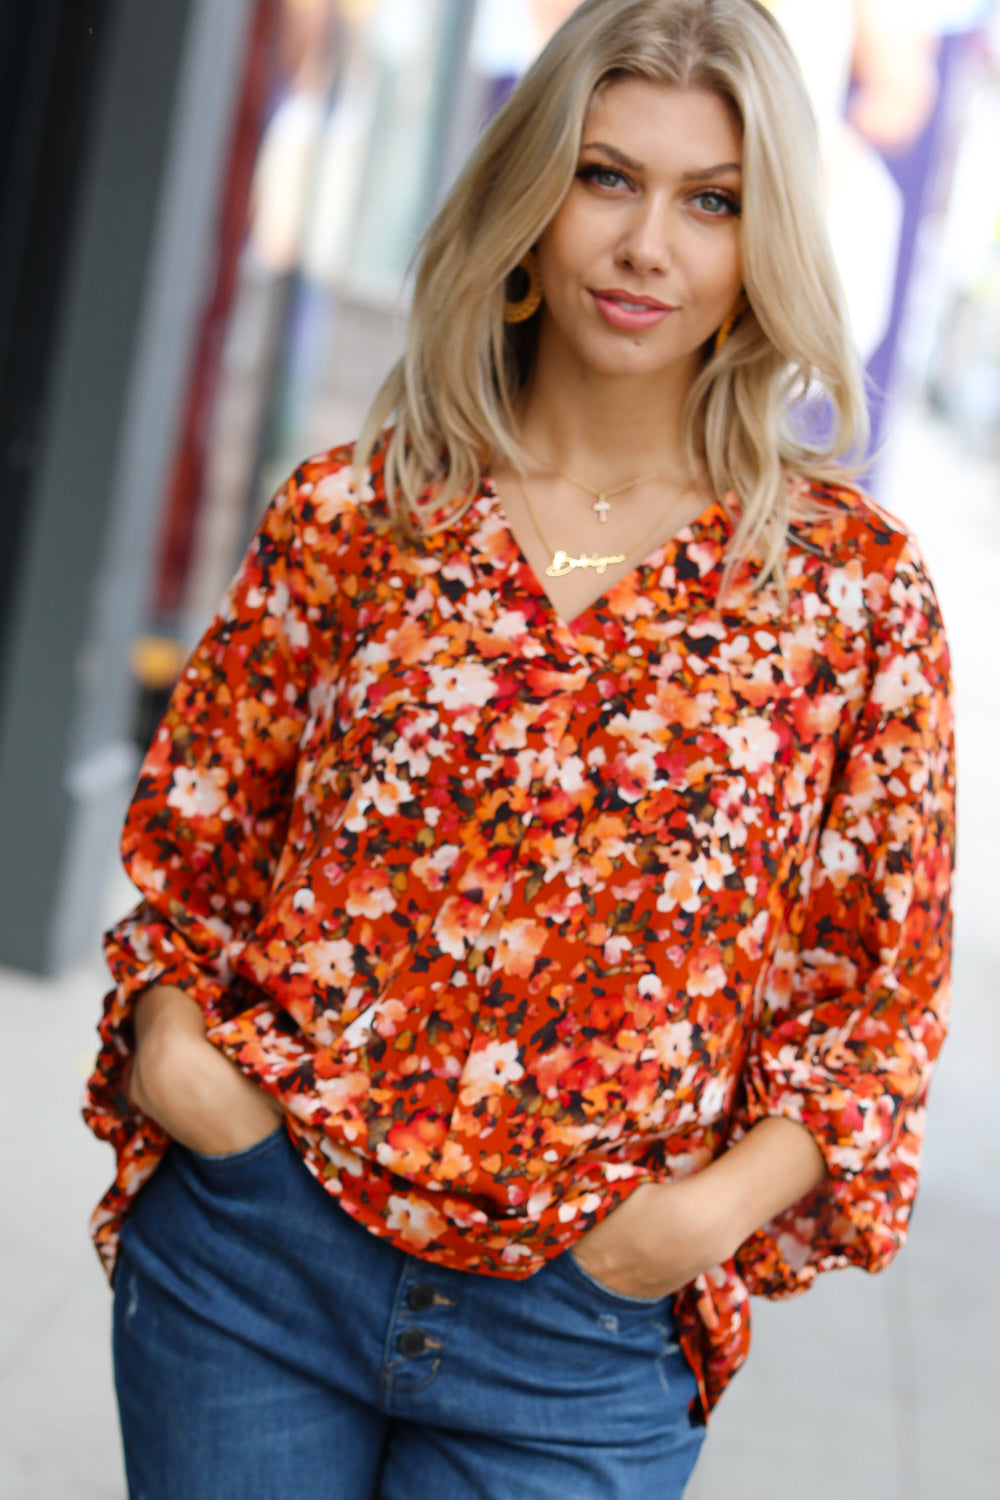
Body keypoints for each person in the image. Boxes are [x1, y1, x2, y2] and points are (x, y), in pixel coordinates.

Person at [84, 1, 955, 1496]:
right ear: (531, 195)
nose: (647, 248)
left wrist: (692, 1226)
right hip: (258, 1262)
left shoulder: (850, 591)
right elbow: (200, 846)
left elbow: (873, 1007)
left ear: (765, 247)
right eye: (605, 177)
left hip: (581, 1337)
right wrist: (186, 1066)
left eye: (712, 201)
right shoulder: (359, 513)